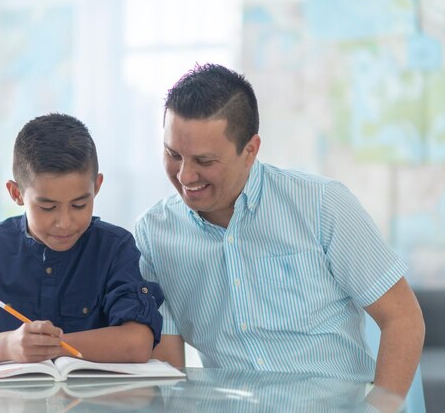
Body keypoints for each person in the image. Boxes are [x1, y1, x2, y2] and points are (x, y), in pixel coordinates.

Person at [135, 63, 425, 398]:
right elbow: (171, 372)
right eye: (173, 154)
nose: (185, 176)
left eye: (204, 161)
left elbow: (403, 318)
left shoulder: (322, 205)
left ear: (250, 150)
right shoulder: (154, 235)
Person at [0, 113, 163, 369]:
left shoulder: (115, 247)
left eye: (80, 204)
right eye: (47, 207)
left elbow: (137, 343)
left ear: (97, 186)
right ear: (16, 193)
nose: (65, 222)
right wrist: (9, 345)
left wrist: (50, 347)